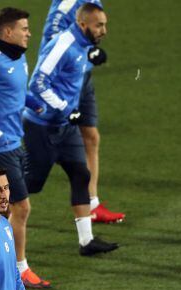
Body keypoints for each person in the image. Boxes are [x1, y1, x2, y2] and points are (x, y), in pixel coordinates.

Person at [22, 2, 119, 256]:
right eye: (99, 26)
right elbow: (37, 83)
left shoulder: (82, 44)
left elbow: (74, 70)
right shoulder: (62, 44)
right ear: (82, 24)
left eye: (105, 25)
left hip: (66, 127)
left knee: (80, 174)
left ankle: (86, 242)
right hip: (41, 126)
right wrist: (65, 108)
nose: (104, 30)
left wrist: (92, 56)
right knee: (31, 183)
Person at [0, 7, 50, 289]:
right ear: (7, 32)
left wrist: (33, 102)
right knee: (21, 207)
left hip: (16, 143)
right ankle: (20, 269)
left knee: (2, 209)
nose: (29, 33)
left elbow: (14, 92)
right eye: (24, 29)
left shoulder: (19, 58)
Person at [38, 0, 125, 223]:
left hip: (81, 78)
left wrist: (91, 51)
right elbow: (53, 42)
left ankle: (92, 203)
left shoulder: (93, 1)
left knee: (91, 137)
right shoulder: (67, 5)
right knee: (39, 156)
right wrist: (87, 55)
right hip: (62, 83)